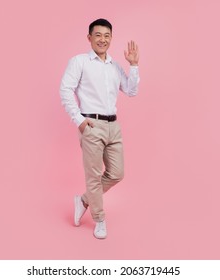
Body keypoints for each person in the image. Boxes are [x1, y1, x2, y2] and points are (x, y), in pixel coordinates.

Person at [59, 18, 140, 239]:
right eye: (98, 35)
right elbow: (65, 90)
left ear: (111, 38)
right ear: (89, 38)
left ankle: (84, 199)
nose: (102, 39)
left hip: (113, 126)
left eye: (106, 36)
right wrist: (80, 120)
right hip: (91, 125)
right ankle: (99, 219)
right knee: (94, 176)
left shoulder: (114, 66)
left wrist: (133, 65)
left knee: (117, 173)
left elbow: (131, 91)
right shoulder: (79, 61)